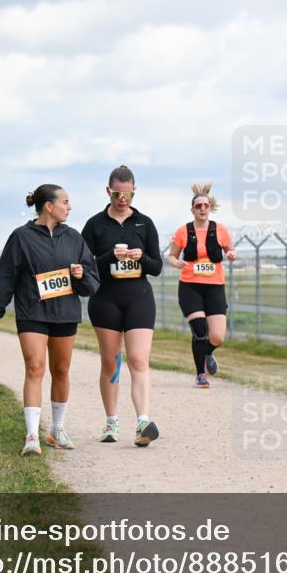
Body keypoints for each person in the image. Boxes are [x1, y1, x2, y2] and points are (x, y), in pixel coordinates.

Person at [0, 184, 99, 456]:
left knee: (61, 370)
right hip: (32, 312)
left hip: (65, 313)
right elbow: (5, 276)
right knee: (34, 367)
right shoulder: (21, 237)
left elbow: (92, 283)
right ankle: (32, 435)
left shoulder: (74, 238)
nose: (70, 207)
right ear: (49, 206)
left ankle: (57, 429)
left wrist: (81, 275)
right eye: (66, 202)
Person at [80, 165, 163, 447]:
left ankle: (143, 421)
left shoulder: (145, 223)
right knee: (111, 362)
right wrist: (107, 256)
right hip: (106, 299)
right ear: (108, 191)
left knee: (139, 359)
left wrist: (141, 258)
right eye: (117, 193)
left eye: (128, 194)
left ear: (134, 191)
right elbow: (84, 264)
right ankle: (111, 421)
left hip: (138, 295)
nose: (122, 199)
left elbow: (157, 267)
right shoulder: (94, 224)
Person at [167, 183, 238, 388]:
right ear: (192, 209)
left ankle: (207, 353)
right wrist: (176, 262)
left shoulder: (220, 230)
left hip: (215, 286)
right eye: (198, 206)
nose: (202, 209)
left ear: (210, 207)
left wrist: (232, 255)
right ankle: (200, 375)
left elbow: (231, 252)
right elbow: (171, 256)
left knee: (217, 336)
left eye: (205, 205)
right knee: (200, 329)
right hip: (190, 286)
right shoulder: (183, 231)